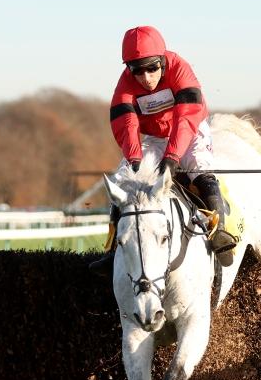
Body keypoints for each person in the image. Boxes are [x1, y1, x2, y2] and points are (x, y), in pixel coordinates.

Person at [89, 25, 237, 277]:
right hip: (155, 136)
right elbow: (126, 123)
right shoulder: (125, 83)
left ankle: (219, 233)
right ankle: (114, 249)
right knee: (124, 178)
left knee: (199, 168)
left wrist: (173, 157)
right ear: (128, 68)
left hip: (190, 129)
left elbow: (186, 117)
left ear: (162, 61)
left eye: (152, 68)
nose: (146, 78)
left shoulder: (180, 68)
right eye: (137, 70)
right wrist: (134, 156)